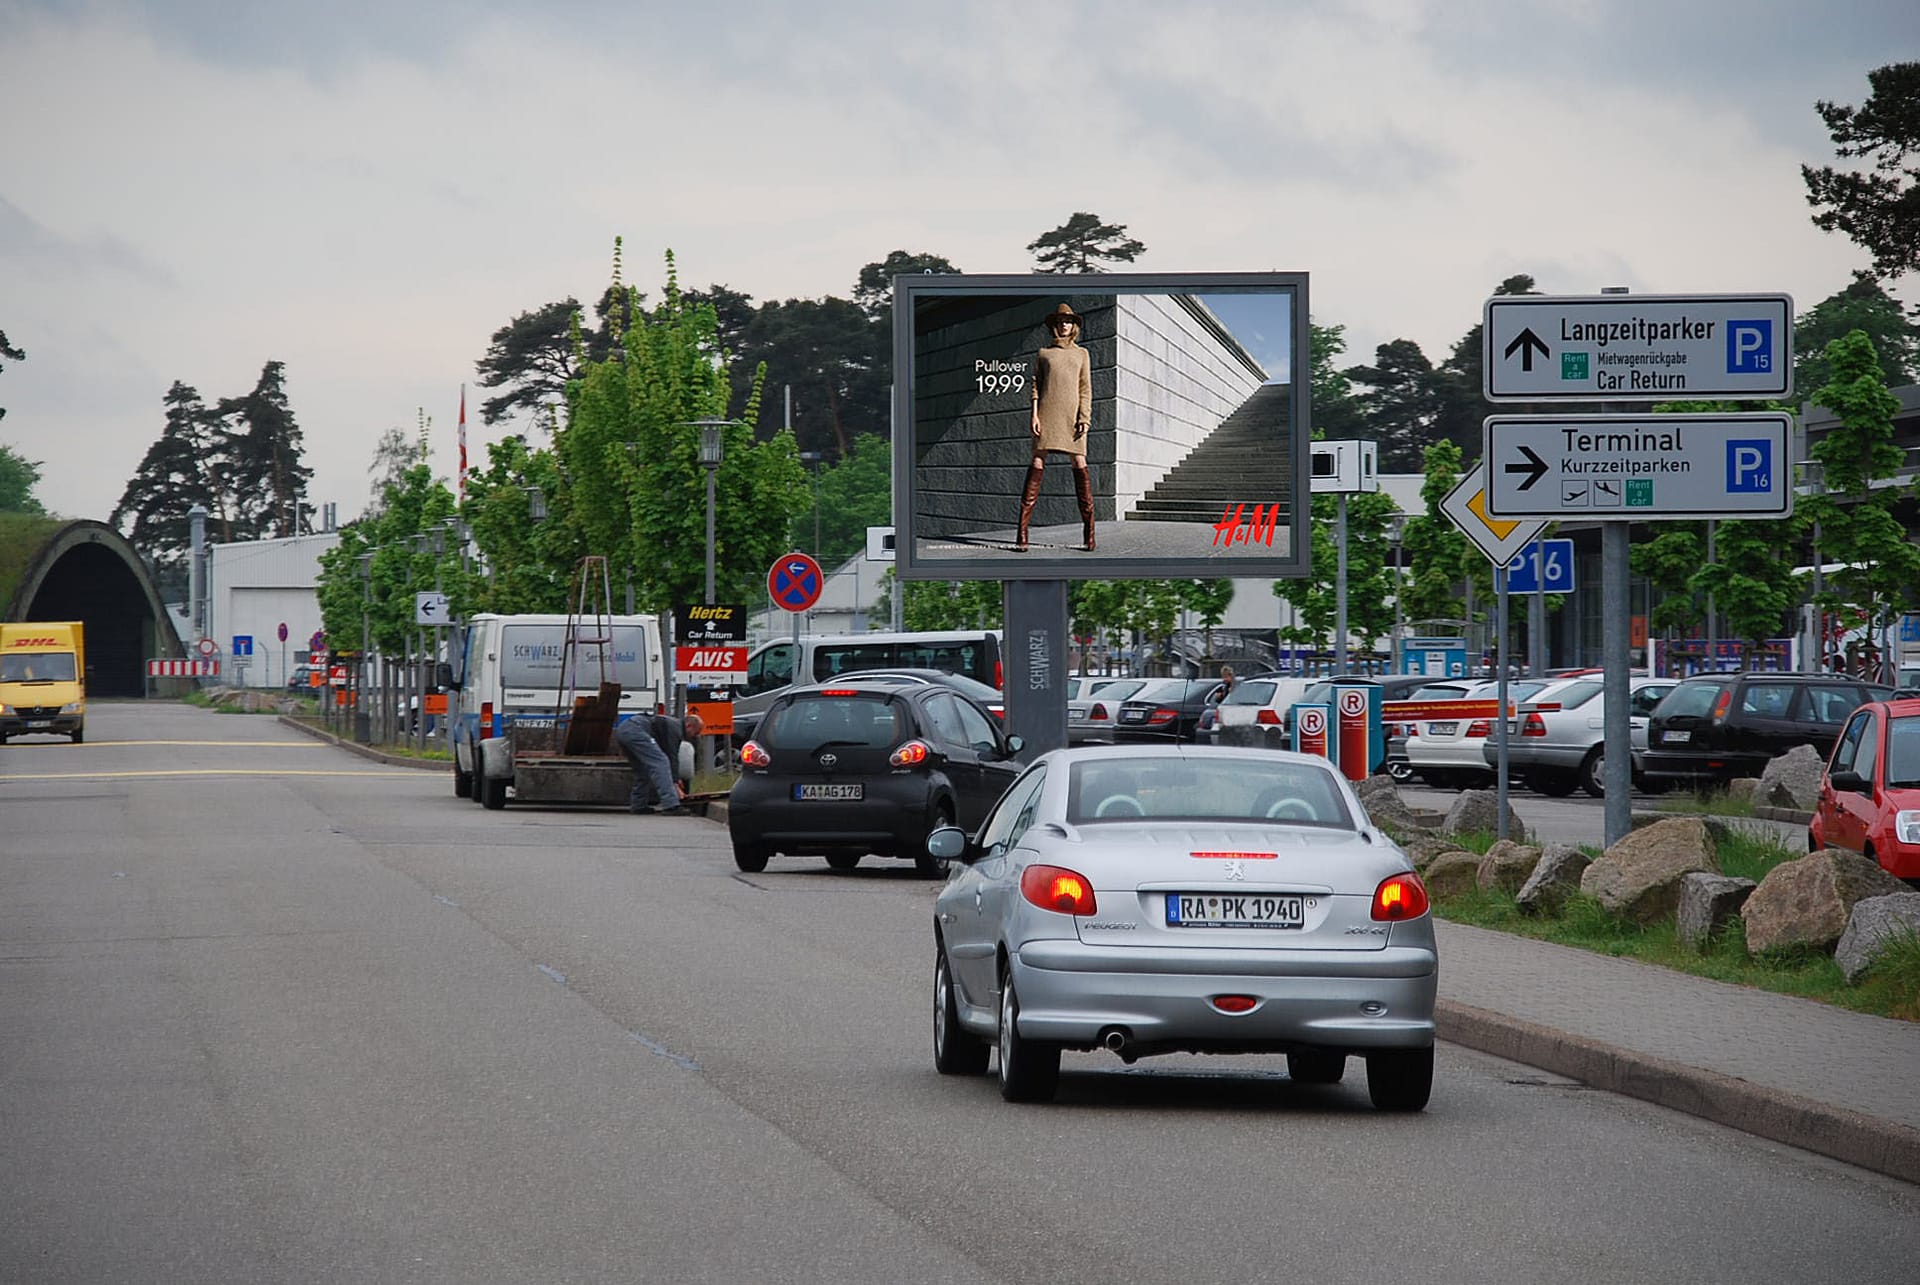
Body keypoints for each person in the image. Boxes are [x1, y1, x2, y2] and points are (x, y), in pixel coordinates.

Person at [1016, 303, 1096, 553]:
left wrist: (1085, 418)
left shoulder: (1082, 354)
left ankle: (1089, 535)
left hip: (1072, 417)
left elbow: (1085, 389)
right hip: (1046, 415)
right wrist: (1034, 415)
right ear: (1054, 325)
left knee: (1080, 464)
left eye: (1068, 321)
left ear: (1074, 326)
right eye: (1060, 321)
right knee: (1037, 463)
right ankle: (1022, 534)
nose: (1064, 324)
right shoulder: (1043, 353)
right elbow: (1035, 386)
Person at [615, 710, 703, 815]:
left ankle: (638, 805)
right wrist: (675, 782)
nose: (695, 736)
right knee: (661, 762)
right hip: (636, 730)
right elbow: (672, 756)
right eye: (696, 732)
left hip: (624, 730)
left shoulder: (672, 725)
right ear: (689, 726)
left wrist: (676, 778)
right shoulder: (676, 728)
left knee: (643, 770)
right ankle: (671, 805)